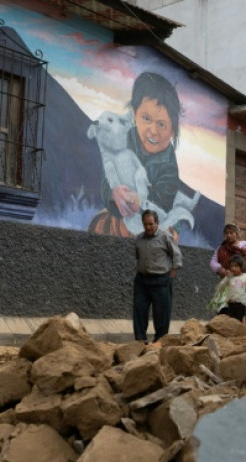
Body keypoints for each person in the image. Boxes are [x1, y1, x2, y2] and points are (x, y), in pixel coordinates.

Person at [91, 72, 185, 239]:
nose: (153, 131)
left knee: (161, 237)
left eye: (162, 124)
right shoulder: (124, 137)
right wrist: (115, 194)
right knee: (99, 226)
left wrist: (140, 202)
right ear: (134, 114)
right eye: (146, 118)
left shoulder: (168, 163)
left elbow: (164, 199)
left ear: (172, 131)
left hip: (154, 220)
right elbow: (108, 178)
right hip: (122, 213)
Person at [133, 209, 181, 345]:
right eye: (145, 224)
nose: (148, 227)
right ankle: (140, 340)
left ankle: (159, 341)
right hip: (142, 280)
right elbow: (138, 256)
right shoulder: (139, 239)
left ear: (157, 223)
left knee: (161, 312)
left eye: (150, 224)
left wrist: (172, 273)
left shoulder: (165, 237)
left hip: (161, 280)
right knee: (139, 309)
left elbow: (176, 255)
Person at [208, 255, 246, 322]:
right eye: (231, 266)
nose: (233, 268)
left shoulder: (245, 278)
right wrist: (227, 278)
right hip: (228, 304)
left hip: (240, 304)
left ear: (241, 267)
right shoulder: (229, 277)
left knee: (239, 318)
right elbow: (220, 287)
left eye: (236, 266)